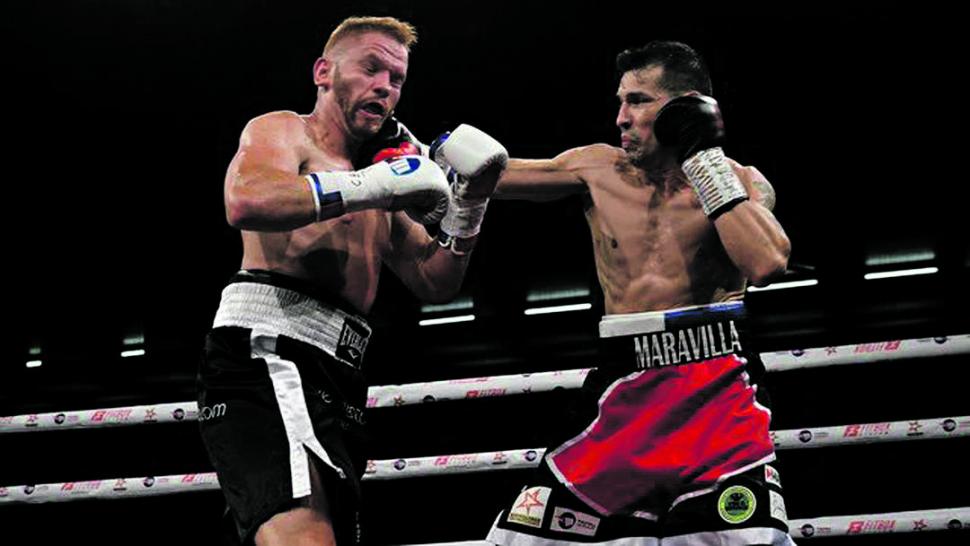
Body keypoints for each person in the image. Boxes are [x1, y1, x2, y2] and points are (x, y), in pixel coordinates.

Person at [196, 16, 508, 546]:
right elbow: (247, 200)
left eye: (397, 79)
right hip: (269, 354)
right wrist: (379, 182)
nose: (384, 86)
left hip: (338, 377)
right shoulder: (285, 131)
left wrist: (469, 207)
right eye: (370, 68)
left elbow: (435, 281)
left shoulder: (379, 180)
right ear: (323, 72)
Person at [485, 41, 795, 545]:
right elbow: (488, 175)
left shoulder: (740, 181)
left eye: (638, 101)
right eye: (621, 101)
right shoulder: (596, 168)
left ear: (683, 106)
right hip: (624, 390)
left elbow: (766, 262)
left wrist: (703, 157)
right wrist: (411, 146)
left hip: (716, 396)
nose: (620, 118)